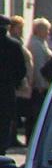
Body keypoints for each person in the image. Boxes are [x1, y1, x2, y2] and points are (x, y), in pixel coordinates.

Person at [0, 15, 27, 154]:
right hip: (6, 90)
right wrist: (14, 82)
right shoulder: (14, 45)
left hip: (7, 89)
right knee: (4, 123)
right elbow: (21, 70)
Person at [27, 17, 52, 142]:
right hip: (39, 85)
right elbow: (38, 66)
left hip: (42, 84)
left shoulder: (41, 42)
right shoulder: (36, 45)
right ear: (39, 30)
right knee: (35, 113)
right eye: (46, 30)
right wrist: (41, 83)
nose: (48, 32)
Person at [9, 16, 33, 147]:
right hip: (13, 86)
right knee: (12, 113)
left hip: (15, 84)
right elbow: (20, 66)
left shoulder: (18, 42)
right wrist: (20, 82)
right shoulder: (13, 44)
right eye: (19, 28)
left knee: (14, 114)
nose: (21, 30)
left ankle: (11, 138)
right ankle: (10, 138)